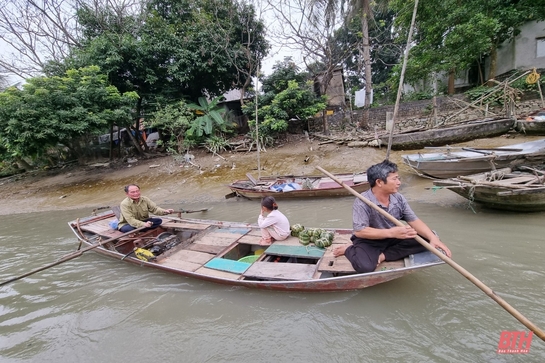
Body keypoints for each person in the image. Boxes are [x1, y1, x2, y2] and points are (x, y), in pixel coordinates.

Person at [333, 160, 452, 273]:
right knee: (365, 267)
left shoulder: (398, 198)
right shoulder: (362, 201)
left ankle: (384, 255)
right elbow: (360, 232)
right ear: (379, 182)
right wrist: (391, 232)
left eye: (398, 178)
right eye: (394, 179)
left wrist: (432, 237)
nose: (399, 182)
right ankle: (349, 249)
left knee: (429, 238)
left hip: (394, 237)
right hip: (370, 240)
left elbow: (414, 220)